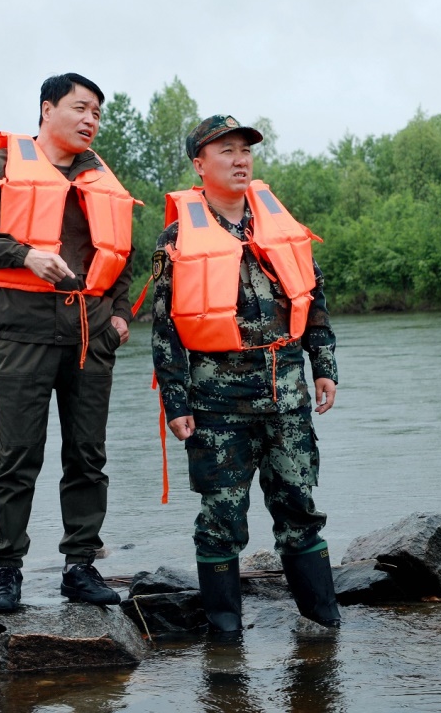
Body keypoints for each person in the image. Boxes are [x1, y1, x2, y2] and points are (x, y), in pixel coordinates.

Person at [151, 114, 341, 635]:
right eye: (227, 151)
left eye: (246, 151)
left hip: (288, 400)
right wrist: (176, 403)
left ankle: (325, 628)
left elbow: (313, 299)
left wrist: (324, 366)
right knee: (221, 522)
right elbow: (165, 330)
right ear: (200, 164)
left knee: (300, 512)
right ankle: (225, 640)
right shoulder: (177, 238)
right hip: (218, 409)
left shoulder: (279, 226)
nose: (240, 160)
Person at [0, 73, 136, 613]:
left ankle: (80, 566)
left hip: (90, 338)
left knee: (87, 457)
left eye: (97, 113)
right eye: (80, 108)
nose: (90, 120)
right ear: (47, 109)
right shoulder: (0, 166)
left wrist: (121, 315)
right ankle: (7, 571)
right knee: (16, 458)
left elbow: (120, 253)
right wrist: (25, 255)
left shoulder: (101, 176)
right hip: (23, 336)